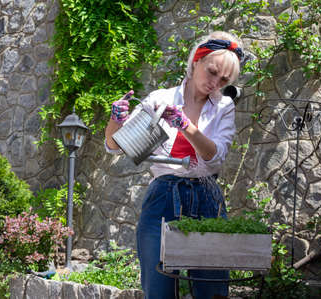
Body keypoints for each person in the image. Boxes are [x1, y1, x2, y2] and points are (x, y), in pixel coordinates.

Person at [104, 31, 243, 299]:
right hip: (163, 196)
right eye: (212, 72)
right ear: (195, 62)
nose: (215, 83)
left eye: (224, 79)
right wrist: (116, 121)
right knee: (158, 288)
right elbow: (115, 146)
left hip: (207, 197)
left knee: (212, 289)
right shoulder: (161, 98)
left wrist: (185, 126)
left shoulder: (224, 106)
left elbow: (216, 157)